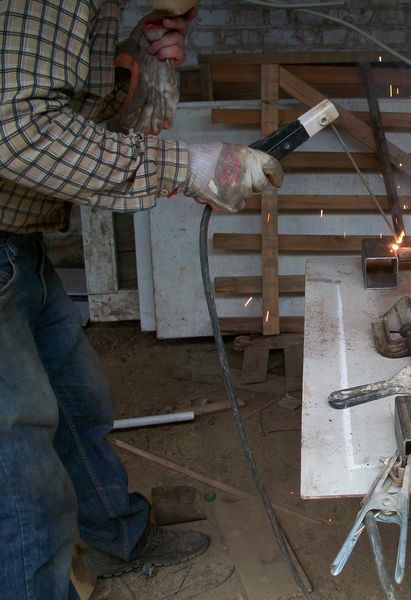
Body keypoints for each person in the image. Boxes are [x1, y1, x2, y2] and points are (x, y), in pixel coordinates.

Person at [0, 1, 284, 598]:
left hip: (18, 243)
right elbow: (19, 134)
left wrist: (136, 70)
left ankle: (113, 539)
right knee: (20, 471)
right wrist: (188, 166)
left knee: (78, 403)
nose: (187, 9)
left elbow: (71, 123)